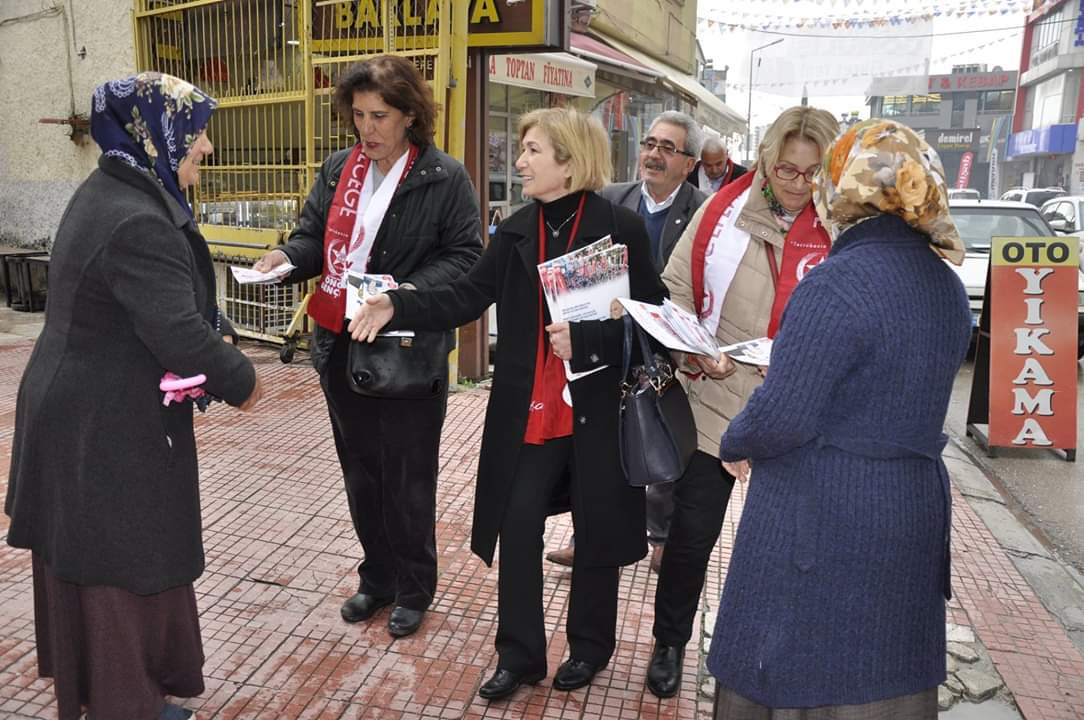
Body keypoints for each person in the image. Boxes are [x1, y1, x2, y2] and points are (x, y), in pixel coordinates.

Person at [349, 107, 667, 701]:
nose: (518, 161)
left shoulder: (620, 227)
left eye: (533, 151)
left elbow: (657, 320)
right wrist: (400, 303)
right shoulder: (518, 228)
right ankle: (518, 656)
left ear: (569, 161)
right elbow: (467, 294)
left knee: (596, 533)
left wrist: (593, 338)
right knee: (516, 528)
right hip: (530, 415)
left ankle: (590, 649)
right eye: (522, 149)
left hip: (600, 415)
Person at [4, 72, 262, 720]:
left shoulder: (117, 190)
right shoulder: (136, 218)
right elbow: (176, 333)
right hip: (100, 426)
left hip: (88, 411)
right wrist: (244, 378)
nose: (204, 149)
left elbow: (159, 306)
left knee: (119, 558)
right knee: (117, 569)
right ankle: (128, 705)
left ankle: (137, 693)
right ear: (159, 136)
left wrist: (212, 329)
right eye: (197, 135)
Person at [707, 120, 970, 718]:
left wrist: (736, 436)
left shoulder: (836, 285)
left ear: (842, 188)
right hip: (910, 507)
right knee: (884, 668)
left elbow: (783, 418)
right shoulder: (946, 286)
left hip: (825, 513)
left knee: (803, 670)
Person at [252, 55, 482, 639]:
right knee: (361, 473)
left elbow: (465, 259)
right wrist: (286, 256)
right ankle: (376, 578)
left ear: (409, 115)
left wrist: (403, 294)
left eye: (380, 115)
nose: (368, 129)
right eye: (358, 116)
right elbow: (313, 236)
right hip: (338, 342)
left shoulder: (442, 176)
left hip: (404, 347)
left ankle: (413, 586)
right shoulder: (337, 169)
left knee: (408, 477)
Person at [645, 106, 840, 699]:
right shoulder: (722, 208)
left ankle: (787, 654)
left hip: (797, 412)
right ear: (765, 159)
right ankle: (669, 642)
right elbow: (675, 291)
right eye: (786, 167)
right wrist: (692, 352)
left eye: (812, 173)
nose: (797, 183)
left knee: (795, 544)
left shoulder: (842, 226)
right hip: (717, 397)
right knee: (691, 535)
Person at [546, 110, 706, 571]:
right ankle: (586, 536)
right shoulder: (612, 199)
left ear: (689, 163)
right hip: (608, 345)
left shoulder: (701, 211)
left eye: (667, 148)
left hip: (665, 347)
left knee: (656, 433)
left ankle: (660, 537)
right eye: (650, 144)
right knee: (601, 444)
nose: (653, 154)